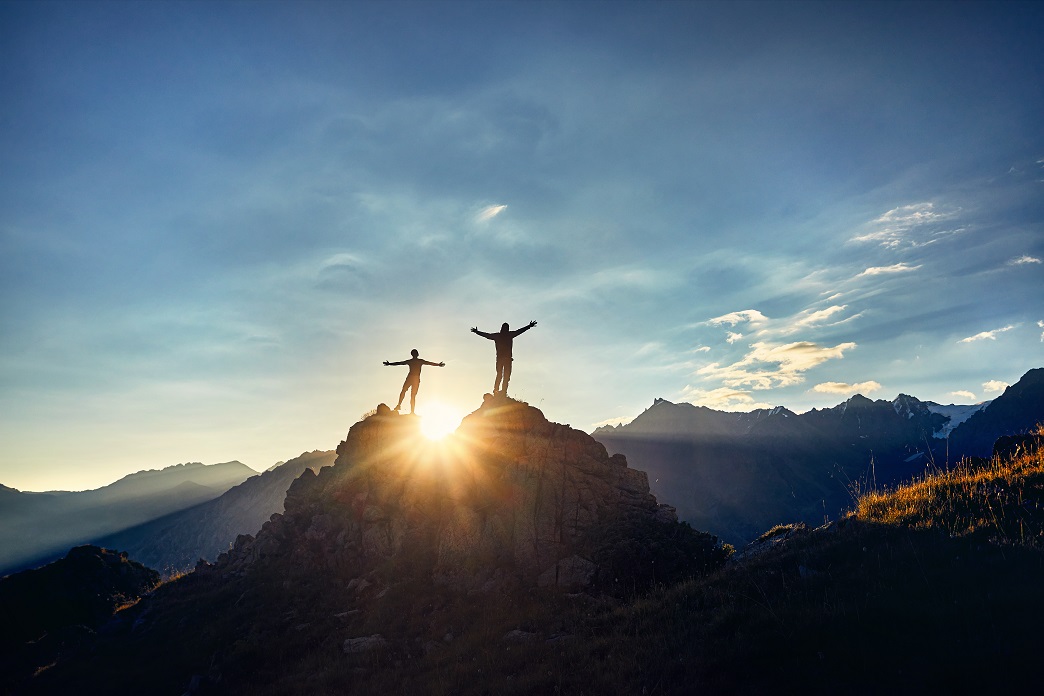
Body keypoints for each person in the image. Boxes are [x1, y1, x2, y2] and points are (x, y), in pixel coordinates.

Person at [471, 320, 537, 395]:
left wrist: (477, 332)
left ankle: (499, 391)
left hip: (502, 359)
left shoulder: (498, 336)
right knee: (504, 376)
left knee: (501, 375)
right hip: (505, 359)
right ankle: (501, 391)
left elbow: (487, 335)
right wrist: (529, 326)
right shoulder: (508, 335)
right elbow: (519, 331)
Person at [383, 349, 445, 414]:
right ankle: (409, 410)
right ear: (417, 354)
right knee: (411, 395)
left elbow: (399, 363)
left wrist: (389, 364)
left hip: (411, 378)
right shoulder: (419, 361)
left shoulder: (412, 361)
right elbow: (429, 363)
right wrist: (438, 365)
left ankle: (401, 406)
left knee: (405, 391)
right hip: (414, 378)